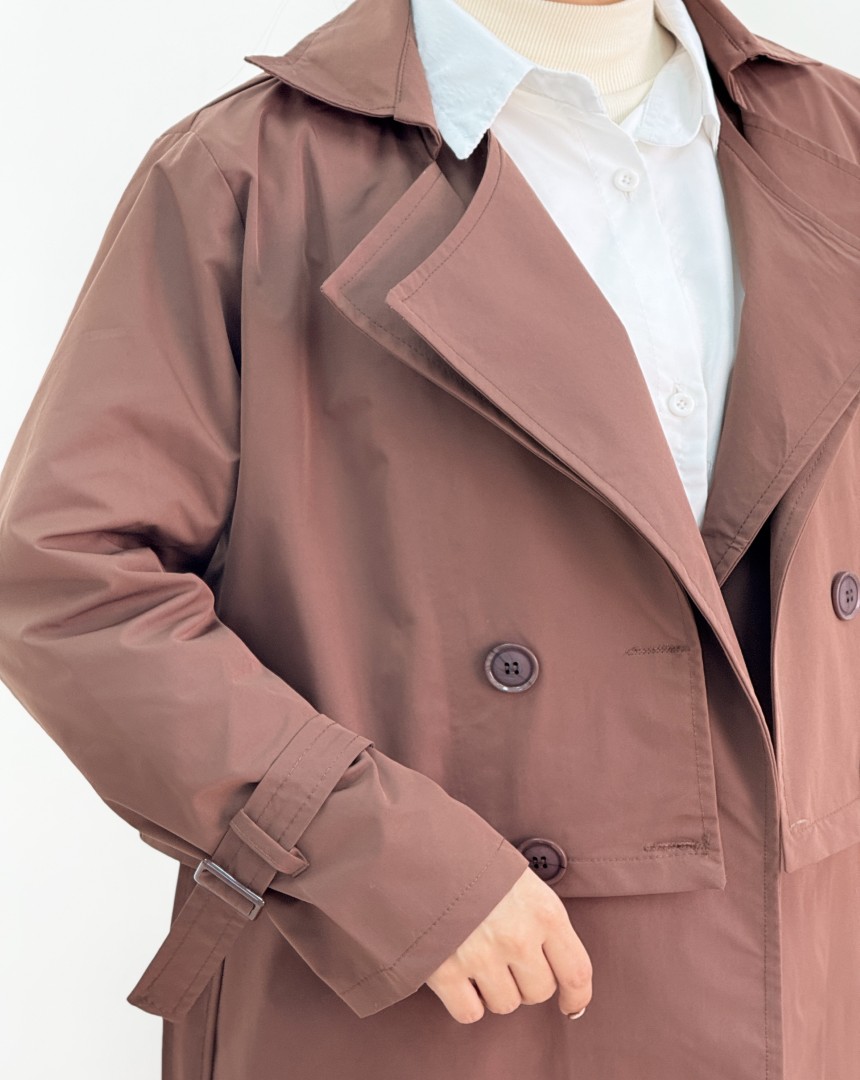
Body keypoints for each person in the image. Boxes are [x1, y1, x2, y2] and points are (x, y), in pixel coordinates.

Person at [1, 0, 859, 1077]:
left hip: (810, 977)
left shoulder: (833, 139)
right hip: (418, 995)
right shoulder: (251, 174)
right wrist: (375, 856)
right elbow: (67, 581)